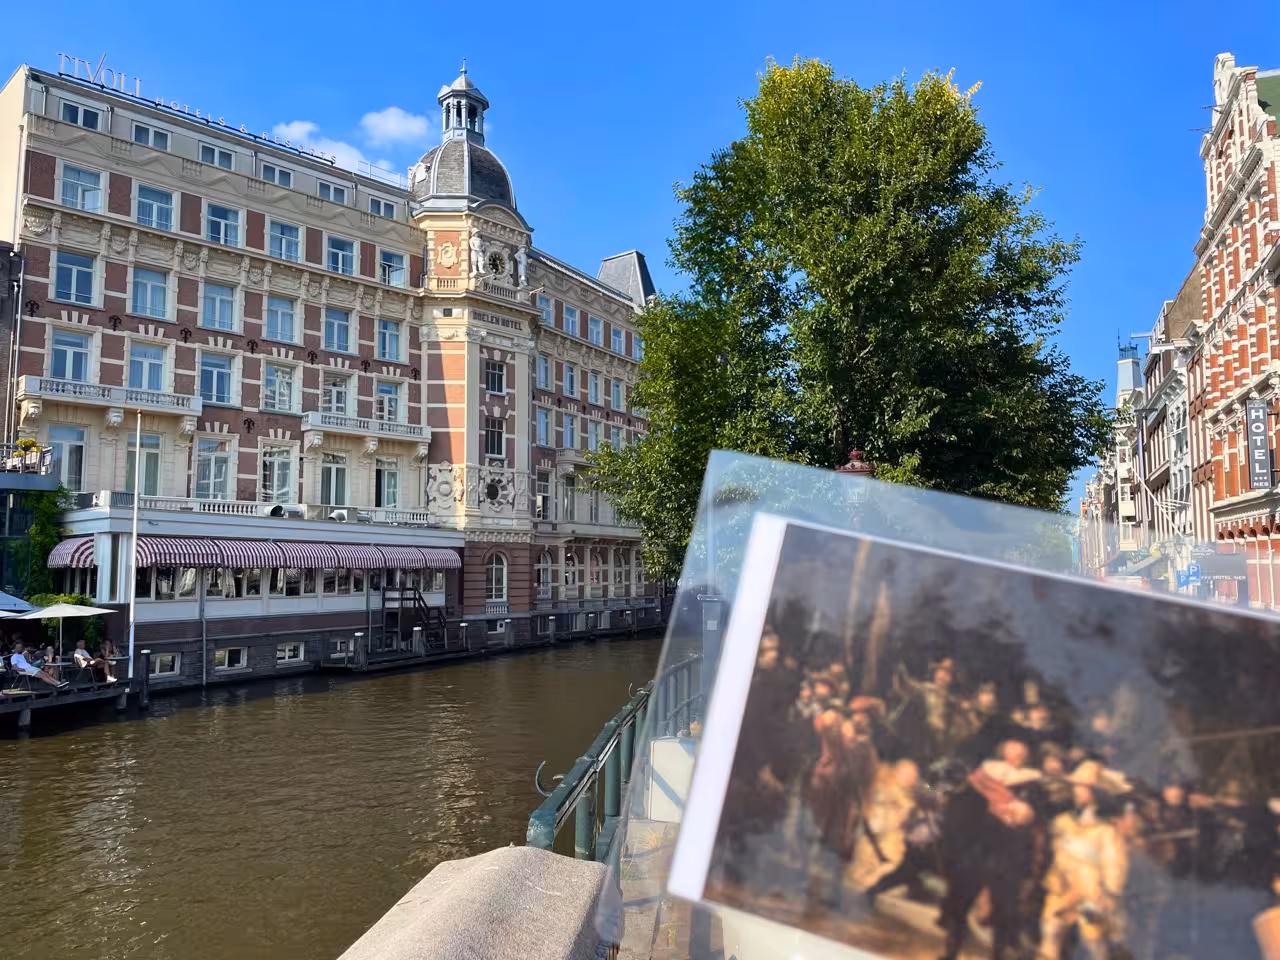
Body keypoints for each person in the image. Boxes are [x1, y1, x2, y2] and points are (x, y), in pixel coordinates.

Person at [1039, 760, 1130, 960]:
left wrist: (1108, 894)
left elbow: (1114, 865)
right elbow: (1057, 854)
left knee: (1094, 942)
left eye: (1083, 787)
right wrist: (1055, 877)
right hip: (1061, 888)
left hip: (1091, 893)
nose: (1077, 791)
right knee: (1050, 934)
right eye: (1076, 786)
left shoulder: (1106, 830)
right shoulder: (1062, 821)